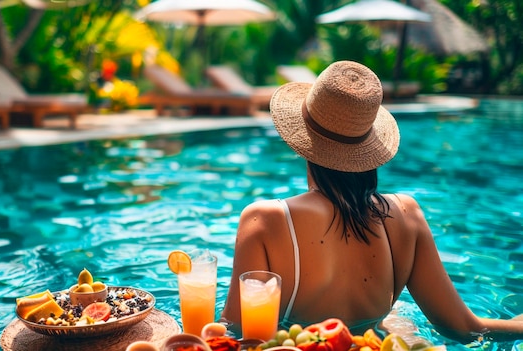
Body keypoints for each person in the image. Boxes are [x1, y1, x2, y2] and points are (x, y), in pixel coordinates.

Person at [220, 60, 523, 345]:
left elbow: (235, 336)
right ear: (368, 147)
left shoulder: (264, 220)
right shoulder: (408, 215)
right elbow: (465, 329)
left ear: (303, 142)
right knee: (401, 319)